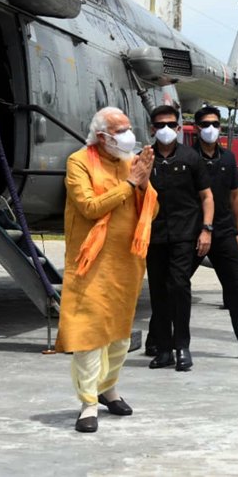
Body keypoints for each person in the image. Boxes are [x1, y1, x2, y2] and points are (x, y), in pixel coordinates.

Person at [55, 107, 157, 433]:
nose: (128, 135)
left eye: (128, 128)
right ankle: (88, 403)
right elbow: (89, 207)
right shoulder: (78, 162)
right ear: (101, 136)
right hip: (91, 262)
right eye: (120, 130)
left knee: (119, 333)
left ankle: (108, 388)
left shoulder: (130, 162)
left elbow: (151, 210)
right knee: (89, 334)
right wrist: (130, 183)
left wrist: (143, 185)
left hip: (126, 261)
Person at [191, 106, 238, 361]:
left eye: (215, 124)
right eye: (205, 124)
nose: (211, 129)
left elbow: (235, 197)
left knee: (237, 288)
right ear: (197, 128)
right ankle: (159, 341)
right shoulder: (188, 158)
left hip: (223, 232)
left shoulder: (227, 159)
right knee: (175, 285)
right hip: (193, 233)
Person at [145, 105, 213, 372]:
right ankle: (163, 349)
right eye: (160, 125)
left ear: (178, 127)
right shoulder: (144, 158)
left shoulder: (191, 158)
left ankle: (182, 346)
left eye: (171, 125)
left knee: (179, 287)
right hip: (154, 236)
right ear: (152, 128)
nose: (166, 129)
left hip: (185, 234)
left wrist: (206, 229)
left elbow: (207, 196)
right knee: (158, 291)